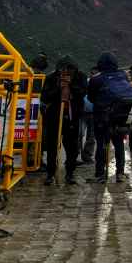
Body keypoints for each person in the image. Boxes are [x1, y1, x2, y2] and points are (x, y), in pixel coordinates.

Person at [89, 52, 132, 183]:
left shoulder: (96, 79)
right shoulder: (123, 76)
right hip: (121, 117)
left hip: (102, 117)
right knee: (119, 144)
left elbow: (91, 98)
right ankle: (120, 173)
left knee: (102, 145)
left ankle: (100, 174)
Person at [40, 55, 87, 185]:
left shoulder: (80, 77)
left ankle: (70, 173)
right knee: (52, 147)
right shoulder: (51, 78)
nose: (66, 71)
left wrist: (71, 85)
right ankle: (50, 173)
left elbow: (82, 93)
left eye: (70, 69)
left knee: (72, 147)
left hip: (72, 117)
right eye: (63, 69)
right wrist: (58, 88)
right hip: (54, 117)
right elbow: (45, 97)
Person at [79, 91, 95, 165]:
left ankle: (87, 155)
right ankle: (76, 155)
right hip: (83, 112)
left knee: (91, 136)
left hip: (93, 112)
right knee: (79, 134)